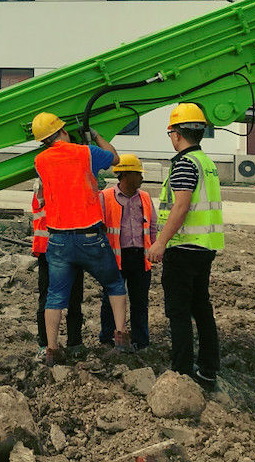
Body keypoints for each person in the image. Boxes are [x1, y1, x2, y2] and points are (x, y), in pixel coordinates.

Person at [31, 111, 129, 366]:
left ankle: (52, 349)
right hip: (90, 236)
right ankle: (121, 338)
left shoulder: (40, 161)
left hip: (58, 239)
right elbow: (115, 158)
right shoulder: (86, 153)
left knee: (55, 296)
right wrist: (95, 136)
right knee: (114, 284)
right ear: (63, 130)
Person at [147, 103, 224, 390]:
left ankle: (181, 372)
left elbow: (181, 207)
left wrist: (160, 242)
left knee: (178, 312)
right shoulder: (206, 163)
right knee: (201, 308)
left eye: (171, 133)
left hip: (183, 248)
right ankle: (208, 370)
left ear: (177, 134)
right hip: (205, 247)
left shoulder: (184, 164)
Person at [99, 154, 157, 351]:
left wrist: (154, 248)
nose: (141, 178)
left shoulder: (145, 198)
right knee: (110, 300)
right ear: (125, 175)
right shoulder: (105, 197)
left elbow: (152, 226)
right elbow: (99, 228)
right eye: (138, 174)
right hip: (115, 258)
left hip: (140, 257)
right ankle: (107, 337)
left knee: (140, 302)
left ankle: (141, 340)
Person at [31, 187, 86, 359]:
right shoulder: (48, 188)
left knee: (69, 298)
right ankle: (55, 344)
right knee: (64, 298)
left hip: (61, 250)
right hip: (56, 250)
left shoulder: (50, 186)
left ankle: (64, 344)